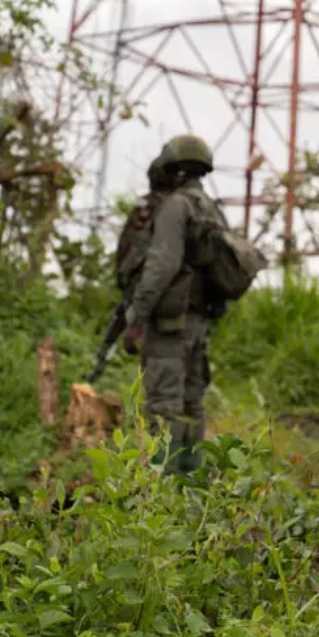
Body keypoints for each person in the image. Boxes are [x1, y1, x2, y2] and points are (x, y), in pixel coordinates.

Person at [120, 134, 230, 474]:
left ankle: (162, 491)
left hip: (170, 324)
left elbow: (161, 265)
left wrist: (136, 317)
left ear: (175, 169)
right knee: (192, 403)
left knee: (162, 406)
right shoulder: (211, 208)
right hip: (200, 323)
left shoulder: (176, 206)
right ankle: (191, 481)